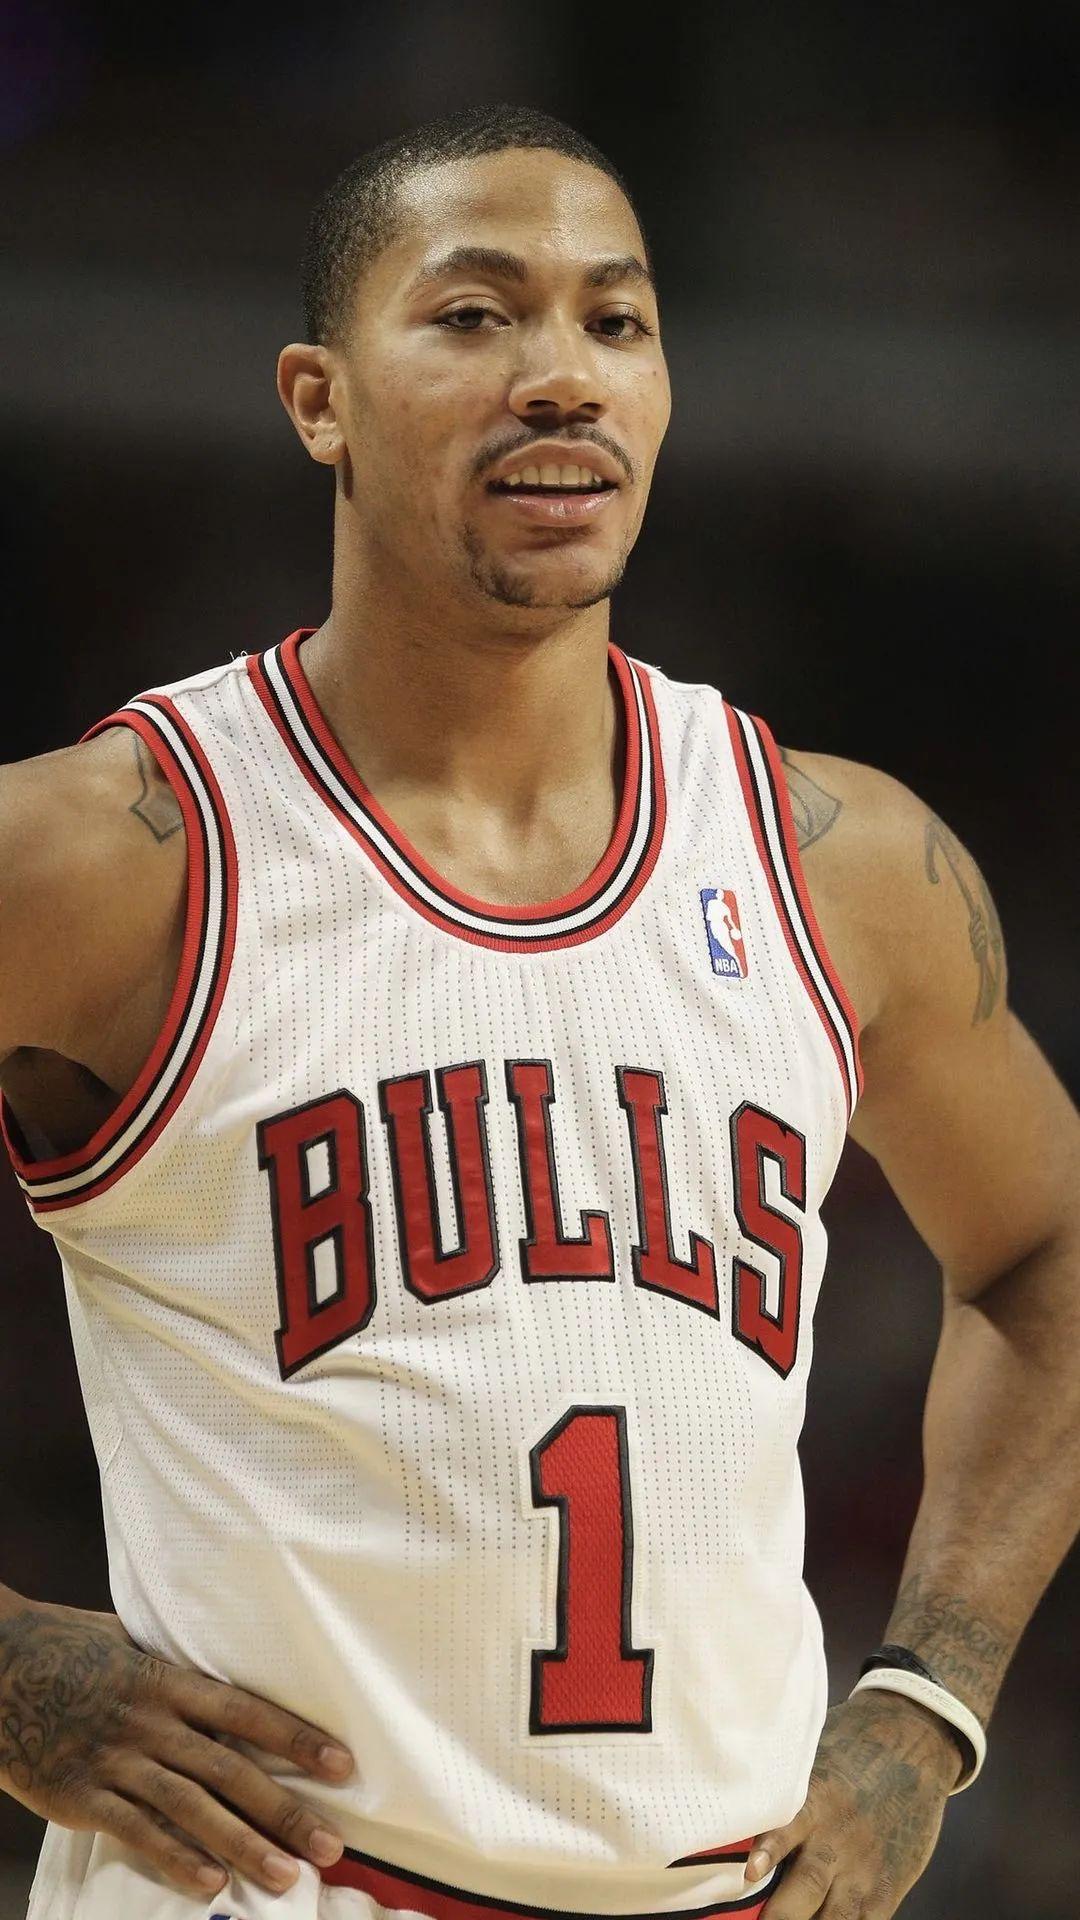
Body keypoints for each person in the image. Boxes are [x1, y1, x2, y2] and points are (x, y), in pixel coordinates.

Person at [0, 103, 1076, 1920]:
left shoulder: (845, 862)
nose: (562, 375)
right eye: (475, 314)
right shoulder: (112, 853)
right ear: (319, 401)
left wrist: (927, 1703)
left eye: (615, 321)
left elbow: (1049, 1252)